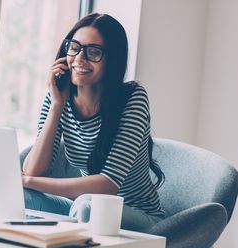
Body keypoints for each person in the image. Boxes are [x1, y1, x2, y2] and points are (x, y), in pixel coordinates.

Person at [21, 13, 165, 231]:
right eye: (74, 47)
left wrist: (30, 182)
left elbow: (107, 186)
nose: (79, 58)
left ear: (112, 59)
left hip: (136, 214)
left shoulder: (132, 97)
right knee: (22, 196)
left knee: (89, 206)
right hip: (84, 209)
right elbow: (33, 171)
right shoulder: (58, 95)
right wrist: (56, 107)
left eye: (93, 52)